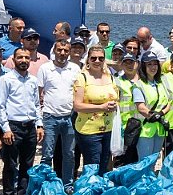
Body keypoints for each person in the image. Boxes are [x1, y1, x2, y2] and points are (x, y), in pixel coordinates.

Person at [0, 47, 43, 195]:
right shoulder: (5, 79)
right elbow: (0, 106)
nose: (24, 61)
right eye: (20, 57)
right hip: (12, 127)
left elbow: (36, 104)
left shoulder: (33, 80)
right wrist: (6, 129)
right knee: (10, 165)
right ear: (13, 60)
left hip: (30, 126)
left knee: (27, 164)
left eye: (27, 58)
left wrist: (39, 125)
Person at [36, 40, 80, 186]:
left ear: (69, 52)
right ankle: (45, 185)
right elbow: (38, 95)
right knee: (47, 155)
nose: (62, 53)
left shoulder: (75, 69)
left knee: (69, 154)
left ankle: (67, 185)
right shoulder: (45, 68)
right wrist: (39, 120)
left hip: (69, 117)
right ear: (54, 51)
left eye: (66, 50)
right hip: (50, 117)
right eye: (59, 50)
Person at [72, 46, 118, 175]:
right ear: (88, 60)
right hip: (89, 130)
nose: (97, 61)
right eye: (93, 58)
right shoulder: (82, 78)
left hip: (108, 129)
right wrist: (101, 107)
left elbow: (116, 97)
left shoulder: (110, 77)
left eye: (101, 58)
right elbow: (77, 106)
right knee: (93, 165)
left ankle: (100, 187)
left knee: (104, 165)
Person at [133, 51, 169, 161]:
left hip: (159, 128)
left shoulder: (161, 83)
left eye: (155, 64)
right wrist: (153, 115)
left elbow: (168, 103)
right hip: (145, 129)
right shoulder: (138, 85)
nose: (153, 67)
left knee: (154, 160)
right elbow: (141, 108)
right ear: (143, 66)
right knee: (145, 161)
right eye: (149, 64)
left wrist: (161, 114)